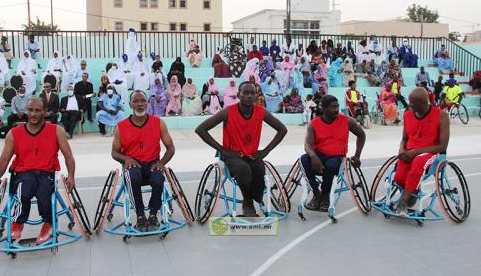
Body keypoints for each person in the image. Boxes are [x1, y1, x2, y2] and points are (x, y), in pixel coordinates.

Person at [0, 97, 75, 244]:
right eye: (30, 110)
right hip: (23, 174)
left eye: (37, 110)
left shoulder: (56, 131)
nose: (33, 114)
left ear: (45, 112)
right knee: (23, 188)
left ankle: (48, 224)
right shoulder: (14, 133)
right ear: (26, 111)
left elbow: (69, 156)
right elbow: (3, 161)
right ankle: (17, 223)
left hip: (46, 173)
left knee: (44, 193)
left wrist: (71, 176)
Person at [195, 81, 287, 216]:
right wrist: (222, 149)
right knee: (243, 169)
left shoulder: (261, 112)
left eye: (252, 93)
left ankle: (256, 198)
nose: (249, 96)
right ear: (239, 95)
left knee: (259, 167)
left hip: (251, 154)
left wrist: (265, 151)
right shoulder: (228, 112)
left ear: (256, 95)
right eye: (246, 93)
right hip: (232, 155)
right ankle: (248, 201)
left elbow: (282, 130)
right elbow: (201, 129)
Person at [112, 91, 175, 231]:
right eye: (135, 101)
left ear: (147, 104)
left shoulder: (158, 123)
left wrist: (162, 163)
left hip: (152, 163)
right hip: (133, 164)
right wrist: (126, 158)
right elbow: (114, 152)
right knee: (132, 177)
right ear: (130, 104)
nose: (139, 104)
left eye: (142, 101)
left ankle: (153, 214)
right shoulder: (121, 127)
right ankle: (140, 216)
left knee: (159, 179)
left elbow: (170, 148)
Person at [301, 95, 366, 211]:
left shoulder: (347, 121)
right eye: (333, 107)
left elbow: (361, 135)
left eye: (337, 106)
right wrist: (313, 156)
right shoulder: (314, 124)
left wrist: (357, 156)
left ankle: (325, 195)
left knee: (330, 165)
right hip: (319, 155)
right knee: (304, 159)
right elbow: (307, 144)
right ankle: (316, 193)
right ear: (323, 108)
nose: (337, 110)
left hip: (337, 157)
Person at [393, 88, 449, 216]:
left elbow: (442, 145)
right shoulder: (407, 115)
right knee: (399, 177)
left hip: (431, 153)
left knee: (419, 161)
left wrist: (416, 152)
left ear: (423, 103)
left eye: (412, 103)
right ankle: (412, 192)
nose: (409, 105)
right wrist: (402, 150)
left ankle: (403, 202)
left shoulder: (441, 116)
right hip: (410, 152)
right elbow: (404, 139)